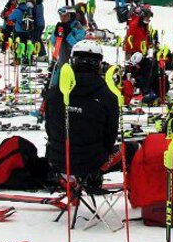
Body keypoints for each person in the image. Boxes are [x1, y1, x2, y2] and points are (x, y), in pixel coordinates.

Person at [43, 42, 119, 186]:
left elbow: (50, 129)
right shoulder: (108, 96)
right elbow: (110, 137)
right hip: (94, 162)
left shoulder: (54, 92)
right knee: (135, 149)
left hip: (58, 160)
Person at [50, 6, 86, 85]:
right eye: (61, 16)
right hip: (61, 62)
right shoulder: (60, 26)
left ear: (71, 15)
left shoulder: (78, 27)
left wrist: (68, 36)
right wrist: (56, 34)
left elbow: (79, 46)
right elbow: (53, 43)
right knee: (56, 83)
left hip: (73, 64)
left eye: (65, 16)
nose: (62, 18)